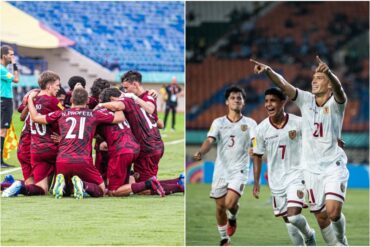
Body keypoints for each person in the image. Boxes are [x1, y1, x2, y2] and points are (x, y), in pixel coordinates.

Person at [250, 56, 349, 245]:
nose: (314, 80)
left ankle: (342, 240)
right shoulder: (306, 100)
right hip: (310, 169)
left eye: (319, 78)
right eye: (314, 77)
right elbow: (285, 86)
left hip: (332, 165)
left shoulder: (336, 104)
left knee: (333, 211)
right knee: (321, 216)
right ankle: (333, 244)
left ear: (328, 85)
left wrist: (328, 72)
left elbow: (340, 91)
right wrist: (269, 70)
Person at [27, 85, 124, 199]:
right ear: (87, 100)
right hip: (83, 161)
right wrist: (118, 104)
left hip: (62, 161)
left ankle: (63, 186)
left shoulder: (61, 113)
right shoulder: (94, 114)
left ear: (71, 100)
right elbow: (119, 118)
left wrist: (30, 99)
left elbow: (35, 117)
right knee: (101, 190)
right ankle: (83, 186)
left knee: (69, 190)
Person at [193, 85, 257, 246]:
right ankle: (224, 239)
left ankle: (233, 217)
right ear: (227, 102)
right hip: (221, 169)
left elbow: (256, 141)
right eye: (233, 98)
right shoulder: (218, 122)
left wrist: (254, 149)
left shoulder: (250, 123)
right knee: (220, 207)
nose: (236, 100)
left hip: (240, 169)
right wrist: (201, 152)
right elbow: (209, 140)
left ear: (244, 102)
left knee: (229, 204)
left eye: (239, 98)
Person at [252, 87, 316, 246]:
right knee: (290, 224)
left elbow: (318, 134)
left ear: (283, 102)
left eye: (273, 100)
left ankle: (309, 235)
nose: (268, 104)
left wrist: (335, 141)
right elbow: (257, 155)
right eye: (266, 101)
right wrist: (256, 182)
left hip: (297, 175)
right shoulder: (260, 129)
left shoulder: (298, 122)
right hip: (276, 181)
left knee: (294, 216)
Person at [98, 88, 183, 196]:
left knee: (144, 189)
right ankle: (178, 181)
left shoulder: (125, 102)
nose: (126, 90)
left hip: (146, 146)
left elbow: (117, 107)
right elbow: (160, 123)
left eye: (126, 86)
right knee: (141, 182)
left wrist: (100, 106)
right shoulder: (140, 101)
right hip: (152, 143)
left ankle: (178, 185)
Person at [2, 71, 63, 197]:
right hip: (35, 145)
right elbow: (65, 116)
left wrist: (30, 99)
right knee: (38, 185)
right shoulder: (52, 102)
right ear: (49, 85)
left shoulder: (33, 99)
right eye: (57, 85)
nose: (59, 87)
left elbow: (22, 115)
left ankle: (8, 184)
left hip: (29, 146)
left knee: (33, 186)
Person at [0, 45, 19, 168]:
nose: (12, 57)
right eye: (10, 54)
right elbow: (17, 79)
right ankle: (0, 161)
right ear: (4, 55)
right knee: (2, 130)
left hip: (4, 100)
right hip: (4, 100)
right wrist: (15, 65)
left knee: (3, 130)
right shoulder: (2, 69)